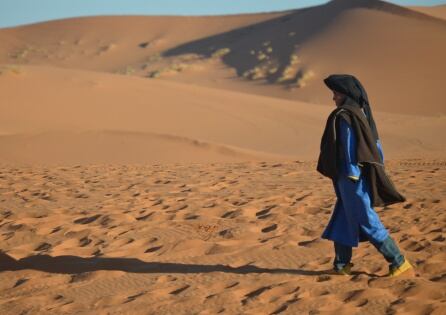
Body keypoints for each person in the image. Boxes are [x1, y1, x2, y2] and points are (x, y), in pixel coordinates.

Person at [317, 74, 412, 277]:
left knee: (367, 219)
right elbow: (376, 147)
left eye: (335, 93)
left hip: (352, 179)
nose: (333, 98)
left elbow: (350, 146)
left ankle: (398, 261)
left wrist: (352, 174)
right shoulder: (361, 115)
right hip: (351, 178)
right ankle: (342, 266)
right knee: (342, 218)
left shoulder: (345, 115)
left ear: (345, 94)